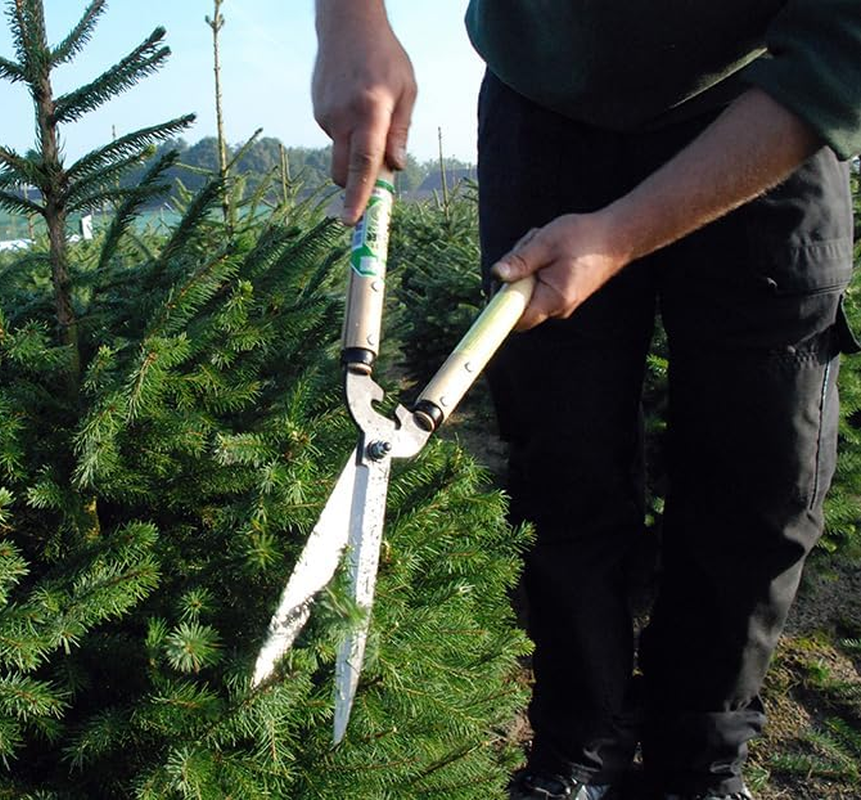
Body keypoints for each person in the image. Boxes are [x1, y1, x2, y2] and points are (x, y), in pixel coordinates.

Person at [312, 2, 861, 799]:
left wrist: (621, 232)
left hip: (764, 114)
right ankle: (579, 746)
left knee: (764, 472)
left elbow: (842, 55)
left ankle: (701, 758)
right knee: (560, 463)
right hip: (545, 114)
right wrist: (349, 21)